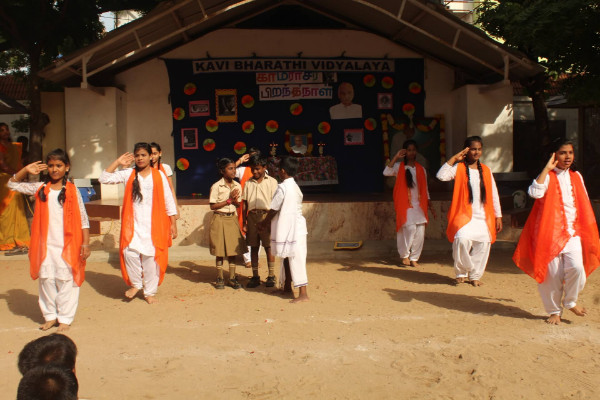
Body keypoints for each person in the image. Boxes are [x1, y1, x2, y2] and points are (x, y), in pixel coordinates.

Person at [513, 141, 599, 324]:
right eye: (562, 153)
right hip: (549, 233)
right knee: (551, 274)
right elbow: (534, 193)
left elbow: (583, 202)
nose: (568, 156)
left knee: (576, 268)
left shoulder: (577, 176)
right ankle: (554, 311)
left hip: (572, 231)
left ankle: (570, 301)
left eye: (570, 153)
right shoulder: (547, 176)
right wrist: (546, 168)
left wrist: (587, 229)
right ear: (554, 156)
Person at [8, 149, 90, 331]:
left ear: (66, 167)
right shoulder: (40, 188)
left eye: (59, 166)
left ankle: (65, 318)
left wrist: (85, 243)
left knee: (66, 280)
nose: (54, 169)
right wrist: (25, 170)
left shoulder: (73, 190)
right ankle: (50, 316)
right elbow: (12, 184)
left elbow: (83, 218)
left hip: (68, 244)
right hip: (45, 245)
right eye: (51, 165)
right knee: (46, 279)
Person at [99, 143, 178, 304]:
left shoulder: (159, 175)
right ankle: (136, 284)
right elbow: (104, 178)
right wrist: (117, 162)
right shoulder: (128, 173)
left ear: (151, 157)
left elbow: (168, 200)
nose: (140, 158)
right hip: (133, 224)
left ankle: (149, 292)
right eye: (137, 155)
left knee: (151, 259)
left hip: (154, 225)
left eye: (143, 155)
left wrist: (173, 223)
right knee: (130, 254)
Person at [436, 136, 502, 286]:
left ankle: (475, 275)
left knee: (484, 244)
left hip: (483, 215)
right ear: (466, 150)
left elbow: (494, 194)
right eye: (473, 149)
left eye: (479, 149)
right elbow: (441, 176)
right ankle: (461, 272)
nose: (476, 152)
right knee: (461, 240)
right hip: (464, 215)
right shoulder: (458, 168)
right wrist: (454, 158)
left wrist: (498, 215)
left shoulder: (486, 170)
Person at [259, 157, 309, 303]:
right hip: (294, 226)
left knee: (296, 258)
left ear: (282, 171)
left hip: (294, 228)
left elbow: (274, 208)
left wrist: (264, 222)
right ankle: (287, 287)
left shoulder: (283, 188)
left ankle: (303, 294)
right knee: (287, 256)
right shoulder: (295, 187)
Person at [383, 140, 434, 267]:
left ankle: (414, 258)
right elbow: (386, 172)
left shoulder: (421, 169)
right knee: (409, 229)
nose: (412, 152)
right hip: (405, 205)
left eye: (413, 150)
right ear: (405, 151)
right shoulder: (398, 167)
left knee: (420, 230)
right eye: (409, 150)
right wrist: (395, 157)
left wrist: (429, 202)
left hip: (419, 205)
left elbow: (425, 188)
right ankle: (404, 255)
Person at [209, 158, 247, 289]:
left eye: (234, 168)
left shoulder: (237, 185)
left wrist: (235, 201)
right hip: (219, 218)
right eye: (230, 168)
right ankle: (219, 277)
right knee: (220, 250)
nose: (233, 171)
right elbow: (213, 206)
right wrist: (229, 200)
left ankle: (231, 277)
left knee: (232, 250)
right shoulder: (216, 186)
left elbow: (237, 204)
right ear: (222, 171)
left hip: (232, 219)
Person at [242, 154, 279, 288]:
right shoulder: (248, 183)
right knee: (253, 246)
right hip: (252, 217)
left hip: (267, 216)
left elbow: (275, 203)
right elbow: (245, 203)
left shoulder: (272, 182)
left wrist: (271, 220)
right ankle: (255, 276)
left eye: (258, 169)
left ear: (264, 168)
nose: (255, 172)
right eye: (253, 169)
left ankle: (271, 275)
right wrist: (244, 222)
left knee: (268, 246)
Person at [0, 122, 30, 254]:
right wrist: (17, 175)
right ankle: (6, 241)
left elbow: (20, 163)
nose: (5, 132)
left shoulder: (14, 147)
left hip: (15, 179)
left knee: (18, 209)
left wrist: (20, 175)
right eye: (2, 131)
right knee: (6, 211)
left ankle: (20, 240)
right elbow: (3, 166)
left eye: (6, 130)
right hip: (5, 181)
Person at [235, 147, 261, 268]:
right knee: (245, 231)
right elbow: (229, 171)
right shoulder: (242, 170)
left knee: (258, 232)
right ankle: (247, 259)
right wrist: (240, 160)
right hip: (244, 205)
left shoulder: (264, 172)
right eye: (252, 157)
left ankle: (256, 258)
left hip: (258, 204)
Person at [150, 142, 180, 218]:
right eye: (150, 154)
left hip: (164, 203)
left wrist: (175, 207)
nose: (152, 156)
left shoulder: (166, 168)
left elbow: (171, 189)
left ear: (160, 153)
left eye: (155, 153)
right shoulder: (143, 169)